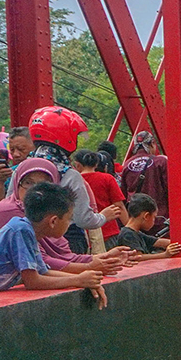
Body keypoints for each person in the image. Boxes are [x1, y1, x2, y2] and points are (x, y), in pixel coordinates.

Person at [0, 158, 128, 273]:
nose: (36, 190)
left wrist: (104, 258)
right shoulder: (15, 214)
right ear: (17, 183)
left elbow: (59, 256)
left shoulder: (43, 216)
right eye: (28, 183)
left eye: (44, 184)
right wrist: (91, 265)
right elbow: (41, 263)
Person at [0, 182, 108, 309]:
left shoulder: (27, 231)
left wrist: (84, 279)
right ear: (53, 221)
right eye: (69, 218)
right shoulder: (20, 230)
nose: (69, 223)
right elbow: (32, 281)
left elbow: (43, 272)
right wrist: (77, 280)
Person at [29, 106, 120, 254]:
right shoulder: (69, 174)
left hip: (31, 241)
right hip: (66, 241)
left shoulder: (22, 170)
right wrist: (104, 216)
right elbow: (84, 219)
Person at [72, 149, 129, 250]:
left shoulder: (74, 182)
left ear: (77, 165)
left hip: (84, 233)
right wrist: (129, 228)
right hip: (109, 231)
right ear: (96, 164)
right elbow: (119, 206)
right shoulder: (107, 179)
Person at [120, 131, 169, 230]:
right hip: (159, 220)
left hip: (137, 221)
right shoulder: (160, 162)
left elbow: (123, 195)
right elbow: (171, 190)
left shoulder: (127, 164)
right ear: (152, 144)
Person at [115, 194, 181, 260]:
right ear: (146, 216)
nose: (154, 221)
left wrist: (177, 244)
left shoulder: (136, 233)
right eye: (154, 217)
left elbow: (158, 242)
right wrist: (165, 255)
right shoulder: (127, 235)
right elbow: (138, 257)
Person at [0, 127, 35, 205]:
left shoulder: (49, 170)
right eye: (12, 150)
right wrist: (0, 181)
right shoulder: (10, 173)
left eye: (21, 149)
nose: (16, 154)